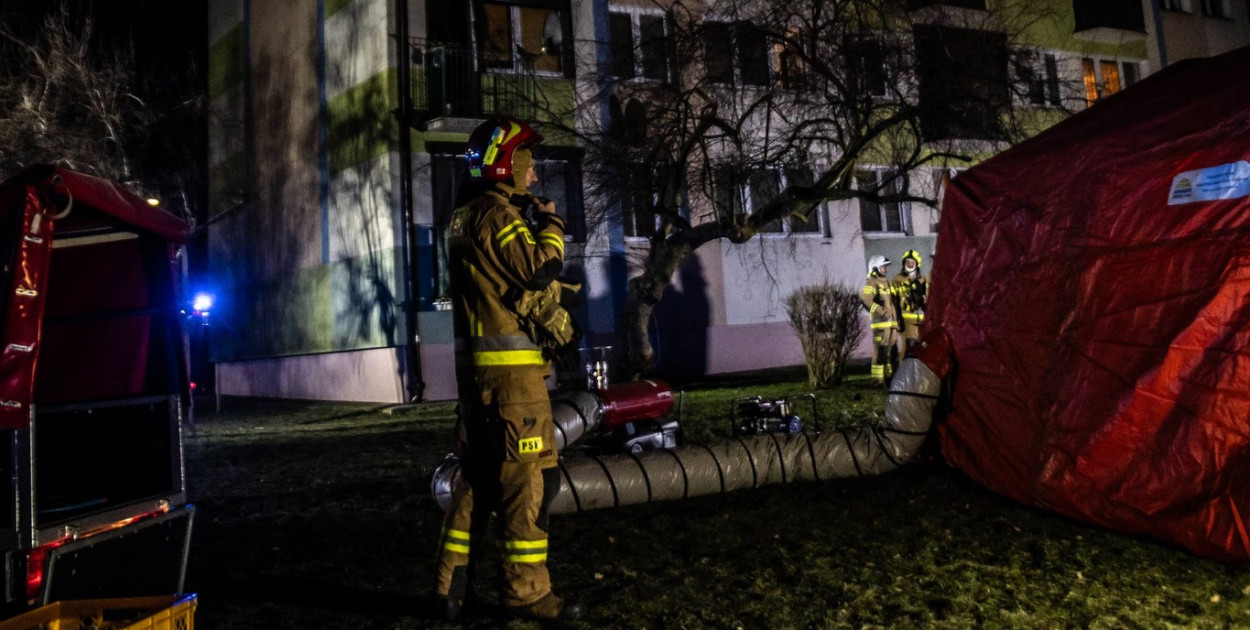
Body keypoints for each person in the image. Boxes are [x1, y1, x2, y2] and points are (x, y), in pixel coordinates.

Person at [432, 116, 584, 623]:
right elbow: (539, 267)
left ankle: (450, 587)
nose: (534, 175)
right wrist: (553, 225)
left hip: (480, 386)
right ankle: (528, 594)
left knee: (476, 483)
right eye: (528, 163)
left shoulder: (464, 217)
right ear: (505, 163)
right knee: (530, 485)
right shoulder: (495, 215)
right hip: (513, 387)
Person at [861, 255, 903, 386]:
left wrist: (896, 321)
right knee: (881, 351)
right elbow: (866, 299)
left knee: (892, 351)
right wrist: (881, 311)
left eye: (885, 267)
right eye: (883, 266)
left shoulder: (885, 282)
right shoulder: (872, 282)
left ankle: (891, 378)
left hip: (890, 324)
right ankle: (878, 380)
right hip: (881, 325)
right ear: (875, 268)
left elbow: (891, 303)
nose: (885, 269)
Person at [891, 249, 928, 350]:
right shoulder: (897, 279)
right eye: (908, 262)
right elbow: (893, 302)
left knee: (923, 349)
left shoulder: (923, 279)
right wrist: (898, 320)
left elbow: (929, 301)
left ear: (917, 264)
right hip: (907, 320)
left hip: (922, 321)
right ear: (904, 263)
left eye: (912, 262)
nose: (910, 264)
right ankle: (904, 365)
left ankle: (919, 366)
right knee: (909, 348)